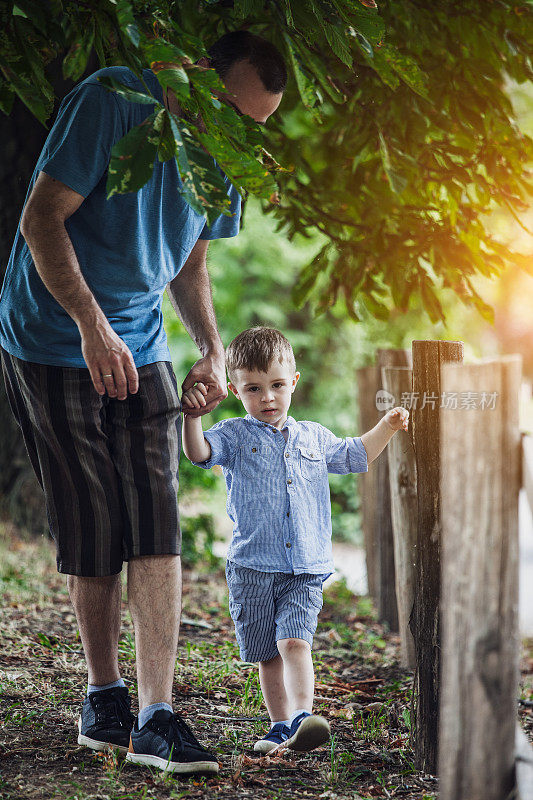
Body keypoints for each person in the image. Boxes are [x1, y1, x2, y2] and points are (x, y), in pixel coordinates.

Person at [0, 32, 286, 775]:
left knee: (155, 514)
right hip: (51, 335)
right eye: (224, 111)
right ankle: (105, 700)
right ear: (195, 78)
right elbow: (41, 218)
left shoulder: (224, 150)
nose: (231, 132)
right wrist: (91, 327)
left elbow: (190, 260)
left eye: (247, 125)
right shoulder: (112, 101)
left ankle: (158, 714)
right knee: (93, 519)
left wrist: (212, 350)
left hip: (143, 337)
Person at [181, 326, 409, 754]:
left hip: (304, 567)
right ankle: (280, 725)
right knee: (268, 652)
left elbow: (356, 454)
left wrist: (387, 426)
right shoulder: (233, 434)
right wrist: (192, 417)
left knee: (294, 641)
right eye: (254, 388)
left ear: (294, 382)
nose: (267, 397)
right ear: (235, 390)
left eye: (277, 386)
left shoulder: (315, 438)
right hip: (252, 567)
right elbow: (198, 454)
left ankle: (304, 716)